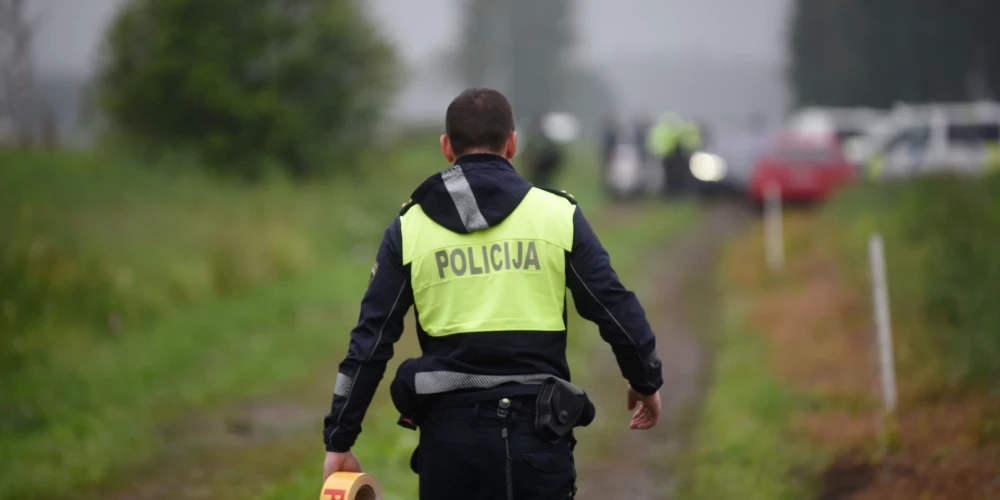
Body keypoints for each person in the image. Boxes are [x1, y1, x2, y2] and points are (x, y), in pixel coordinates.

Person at [321, 88, 664, 500]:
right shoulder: (557, 216)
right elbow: (614, 306)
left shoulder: (410, 228)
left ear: (447, 147)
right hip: (537, 440)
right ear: (513, 143)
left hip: (448, 447)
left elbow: (370, 341)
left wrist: (340, 439)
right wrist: (645, 379)